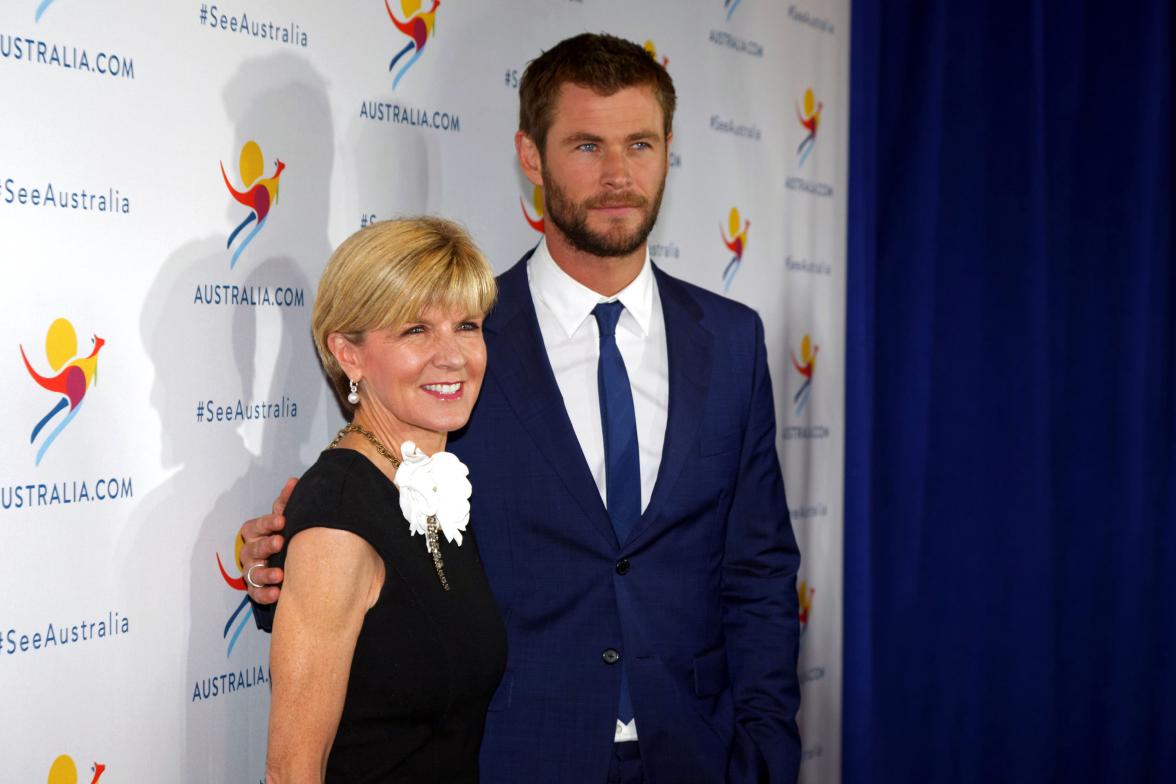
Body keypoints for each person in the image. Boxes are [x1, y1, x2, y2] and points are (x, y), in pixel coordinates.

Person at [242, 33, 801, 783]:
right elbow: (381, 532)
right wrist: (282, 559)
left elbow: (758, 569)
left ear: (669, 149)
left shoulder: (731, 341)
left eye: (639, 143)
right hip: (515, 757)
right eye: (585, 145)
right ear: (531, 157)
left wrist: (766, 748)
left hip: (699, 751)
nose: (616, 174)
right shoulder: (465, 350)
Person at [263, 217, 505, 782]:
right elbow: (292, 771)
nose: (452, 356)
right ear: (349, 353)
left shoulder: (430, 481)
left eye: (466, 326)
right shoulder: (340, 519)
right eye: (415, 331)